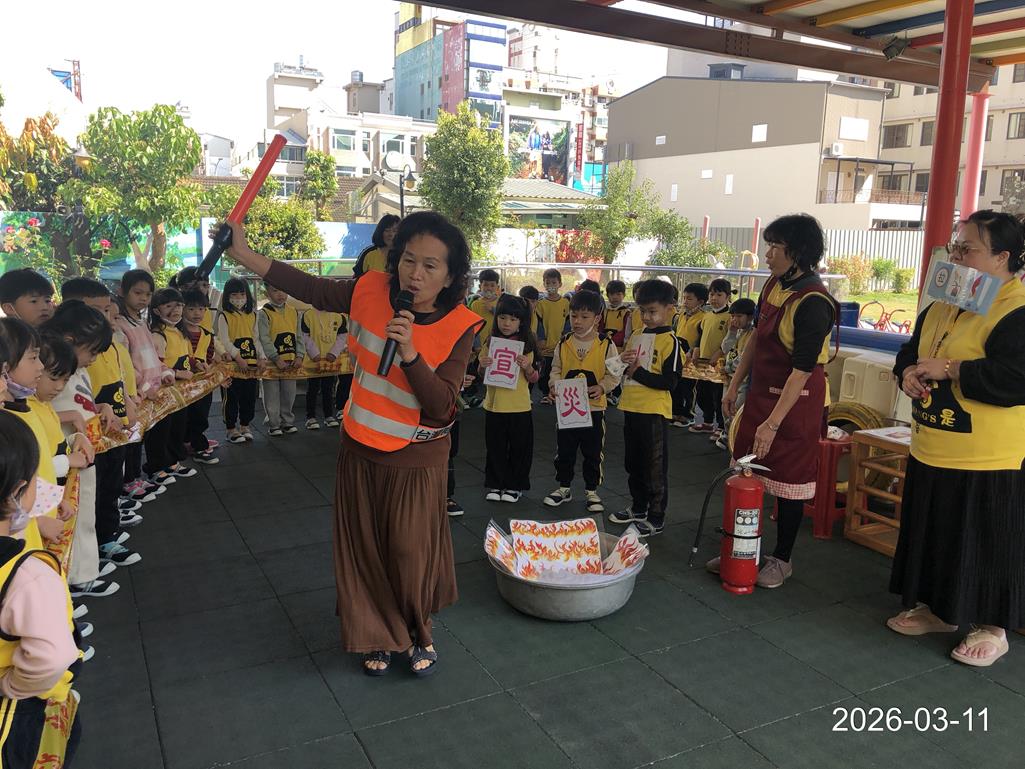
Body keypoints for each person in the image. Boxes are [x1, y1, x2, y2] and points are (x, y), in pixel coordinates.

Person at [222, 210, 483, 677]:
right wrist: (244, 254)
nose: (415, 273)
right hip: (360, 444)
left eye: (430, 265)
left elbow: (443, 406)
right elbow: (311, 288)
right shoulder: (370, 289)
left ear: (449, 276)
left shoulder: (461, 325)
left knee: (408, 551)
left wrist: (410, 354)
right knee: (365, 549)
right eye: (408, 259)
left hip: (417, 457)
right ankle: (377, 635)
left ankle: (418, 630)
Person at [887, 210, 1025, 667]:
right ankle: (938, 610)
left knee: (987, 541)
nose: (958, 256)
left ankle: (993, 628)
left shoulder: (1017, 308)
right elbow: (910, 351)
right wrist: (908, 372)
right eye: (956, 247)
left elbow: (1016, 378)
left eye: (969, 249)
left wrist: (951, 369)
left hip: (989, 457)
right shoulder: (945, 301)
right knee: (936, 533)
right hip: (932, 443)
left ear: (1002, 257)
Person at [720, 214, 837, 589]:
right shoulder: (773, 284)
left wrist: (772, 424)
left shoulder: (815, 302)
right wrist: (734, 385)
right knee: (748, 471)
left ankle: (782, 558)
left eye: (775, 247)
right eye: (768, 245)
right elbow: (756, 338)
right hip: (761, 392)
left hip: (797, 403)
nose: (767, 254)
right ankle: (743, 548)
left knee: (789, 482)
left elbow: (802, 371)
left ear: (799, 252)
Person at [0, 411, 82, 769]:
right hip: (17, 715)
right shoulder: (29, 576)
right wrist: (12, 686)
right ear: (18, 491)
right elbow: (52, 655)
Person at [41, 302, 121, 598]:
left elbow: (81, 401)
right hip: (64, 457)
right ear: (70, 341)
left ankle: (85, 569)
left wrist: (101, 406)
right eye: (92, 351)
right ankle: (76, 576)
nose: (94, 359)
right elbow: (39, 412)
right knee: (70, 515)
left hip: (83, 452)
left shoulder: (76, 369)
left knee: (85, 511)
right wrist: (73, 417)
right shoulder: (52, 372)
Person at [61, 279, 142, 563]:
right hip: (82, 445)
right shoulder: (63, 361)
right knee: (86, 499)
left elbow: (119, 377)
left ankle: (106, 537)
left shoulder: (103, 348)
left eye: (108, 311)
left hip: (109, 429)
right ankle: (91, 554)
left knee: (109, 486)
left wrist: (124, 401)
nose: (106, 318)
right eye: (98, 311)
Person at [608, 280, 681, 537]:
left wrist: (637, 372)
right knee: (634, 462)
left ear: (669, 309)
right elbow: (620, 369)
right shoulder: (637, 335)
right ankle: (638, 507)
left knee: (654, 467)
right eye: (643, 311)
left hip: (654, 412)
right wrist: (620, 361)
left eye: (652, 311)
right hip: (631, 406)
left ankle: (656, 516)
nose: (647, 317)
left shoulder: (671, 341)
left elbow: (670, 382)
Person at [544, 290, 620, 513]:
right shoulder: (563, 342)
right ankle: (563, 487)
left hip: (594, 409)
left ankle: (591, 491)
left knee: (593, 451)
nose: (577, 321)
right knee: (564, 450)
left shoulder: (606, 344)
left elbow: (615, 373)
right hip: (567, 408)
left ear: (597, 318)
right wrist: (554, 385)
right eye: (573, 316)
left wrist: (602, 387)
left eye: (584, 317)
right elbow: (555, 369)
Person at [480, 294, 538, 503]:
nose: (506, 323)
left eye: (513, 319)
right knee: (495, 447)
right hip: (494, 405)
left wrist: (527, 367)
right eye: (502, 317)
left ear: (521, 322)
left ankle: (515, 485)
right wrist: (482, 366)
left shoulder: (527, 344)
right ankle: (496, 483)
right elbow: (481, 374)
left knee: (519, 448)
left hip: (519, 406)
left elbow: (534, 378)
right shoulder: (490, 342)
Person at [145, 288, 197, 484]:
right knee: (160, 430)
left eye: (179, 305)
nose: (175, 310)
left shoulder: (179, 331)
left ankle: (173, 462)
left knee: (177, 427)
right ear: (156, 310)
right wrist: (177, 373)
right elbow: (155, 365)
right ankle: (156, 467)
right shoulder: (158, 335)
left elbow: (186, 356)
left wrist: (196, 365)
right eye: (169, 306)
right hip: (162, 392)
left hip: (180, 393)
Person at [216, 278, 263, 444]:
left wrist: (261, 357)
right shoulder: (224, 316)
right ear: (227, 296)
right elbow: (225, 340)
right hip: (233, 366)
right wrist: (238, 357)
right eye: (234, 295)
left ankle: (245, 426)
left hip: (251, 365)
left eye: (242, 294)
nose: (239, 298)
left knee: (249, 397)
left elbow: (256, 338)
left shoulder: (253, 315)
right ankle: (231, 429)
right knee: (231, 397)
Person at [257, 281, 305, 437]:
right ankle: (274, 423)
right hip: (272, 362)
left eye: (284, 290)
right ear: (267, 293)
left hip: (291, 361)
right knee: (271, 393)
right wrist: (275, 358)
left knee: (289, 393)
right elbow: (264, 338)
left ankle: (287, 421)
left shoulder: (294, 312)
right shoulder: (264, 313)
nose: (280, 294)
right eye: (275, 290)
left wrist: (300, 355)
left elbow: (299, 335)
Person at [689, 278, 732, 439]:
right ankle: (707, 422)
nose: (714, 298)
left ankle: (720, 426)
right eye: (712, 294)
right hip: (702, 361)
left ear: (727, 297)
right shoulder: (707, 315)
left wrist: (719, 352)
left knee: (717, 395)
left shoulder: (729, 317)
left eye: (719, 295)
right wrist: (695, 350)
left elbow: (731, 339)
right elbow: (700, 335)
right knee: (702, 393)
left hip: (719, 363)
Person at [181, 289, 219, 464]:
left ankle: (194, 442)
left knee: (201, 414)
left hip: (202, 385)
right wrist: (195, 364)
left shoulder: (207, 334)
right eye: (191, 309)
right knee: (185, 416)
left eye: (201, 309)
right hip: (183, 384)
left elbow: (209, 356)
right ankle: (195, 445)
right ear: (182, 309)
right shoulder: (178, 333)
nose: (197, 313)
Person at [717, 297, 756, 450]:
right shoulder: (738, 332)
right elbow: (726, 349)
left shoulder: (752, 334)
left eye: (739, 316)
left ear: (751, 317)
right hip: (730, 378)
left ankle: (735, 437)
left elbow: (744, 358)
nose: (734, 320)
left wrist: (727, 368)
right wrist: (731, 332)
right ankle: (727, 433)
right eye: (733, 316)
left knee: (736, 409)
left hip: (743, 381)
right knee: (725, 406)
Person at [300, 304, 347, 430]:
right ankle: (310, 417)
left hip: (330, 362)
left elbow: (342, 336)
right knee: (312, 389)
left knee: (328, 388)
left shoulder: (339, 315)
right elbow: (304, 335)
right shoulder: (308, 315)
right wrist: (314, 353)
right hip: (313, 361)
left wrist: (334, 353)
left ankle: (328, 416)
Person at [671, 283, 708, 428]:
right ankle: (676, 412)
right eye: (684, 298)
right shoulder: (680, 315)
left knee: (689, 388)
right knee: (676, 386)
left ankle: (688, 415)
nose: (685, 301)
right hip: (678, 356)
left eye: (689, 299)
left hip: (692, 358)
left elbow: (701, 338)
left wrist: (693, 351)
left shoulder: (703, 318)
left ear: (700, 302)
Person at [536, 268, 570, 404]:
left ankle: (559, 395)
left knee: (560, 371)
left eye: (554, 283)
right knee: (545, 372)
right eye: (548, 283)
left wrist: (565, 337)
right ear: (544, 284)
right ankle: (546, 394)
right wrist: (541, 339)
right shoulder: (541, 304)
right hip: (546, 348)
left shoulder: (566, 303)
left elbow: (568, 322)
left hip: (561, 346)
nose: (551, 285)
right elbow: (539, 323)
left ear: (560, 284)